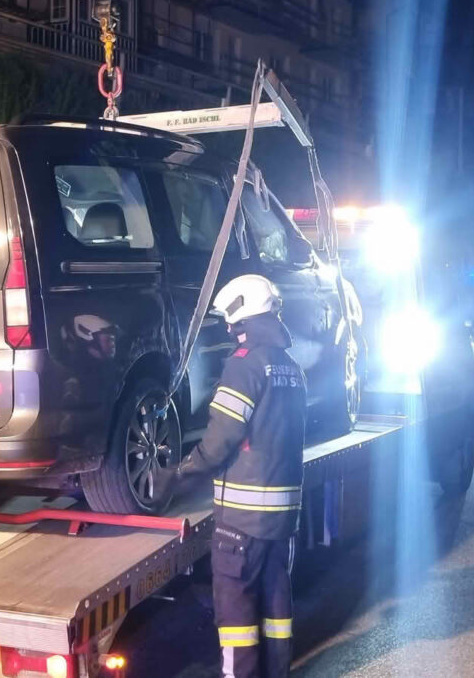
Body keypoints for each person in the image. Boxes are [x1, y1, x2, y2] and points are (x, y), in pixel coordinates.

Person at [163, 274, 306, 678]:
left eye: (231, 320)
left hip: (241, 523)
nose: (228, 328)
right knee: (276, 608)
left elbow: (220, 441)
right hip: (281, 520)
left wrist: (176, 475)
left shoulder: (244, 367)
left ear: (244, 318)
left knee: (237, 616)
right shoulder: (290, 368)